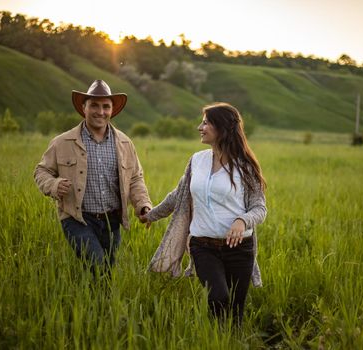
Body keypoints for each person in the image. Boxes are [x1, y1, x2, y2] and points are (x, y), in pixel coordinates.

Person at [140, 102, 266, 325]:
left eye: (206, 122)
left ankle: (228, 341)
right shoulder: (197, 161)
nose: (200, 127)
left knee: (236, 310)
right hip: (203, 245)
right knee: (218, 297)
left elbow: (259, 208)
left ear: (222, 128)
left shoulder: (245, 166)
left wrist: (242, 221)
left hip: (239, 248)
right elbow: (178, 195)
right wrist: (151, 215)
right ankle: (215, 336)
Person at [34, 79, 152, 270]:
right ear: (84, 107)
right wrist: (53, 185)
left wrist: (143, 205)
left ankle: (99, 300)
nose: (101, 111)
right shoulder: (62, 142)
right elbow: (42, 171)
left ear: (112, 109)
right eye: (94, 105)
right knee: (97, 265)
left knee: (106, 270)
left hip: (111, 220)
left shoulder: (124, 143)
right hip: (77, 218)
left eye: (106, 106)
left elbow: (136, 178)